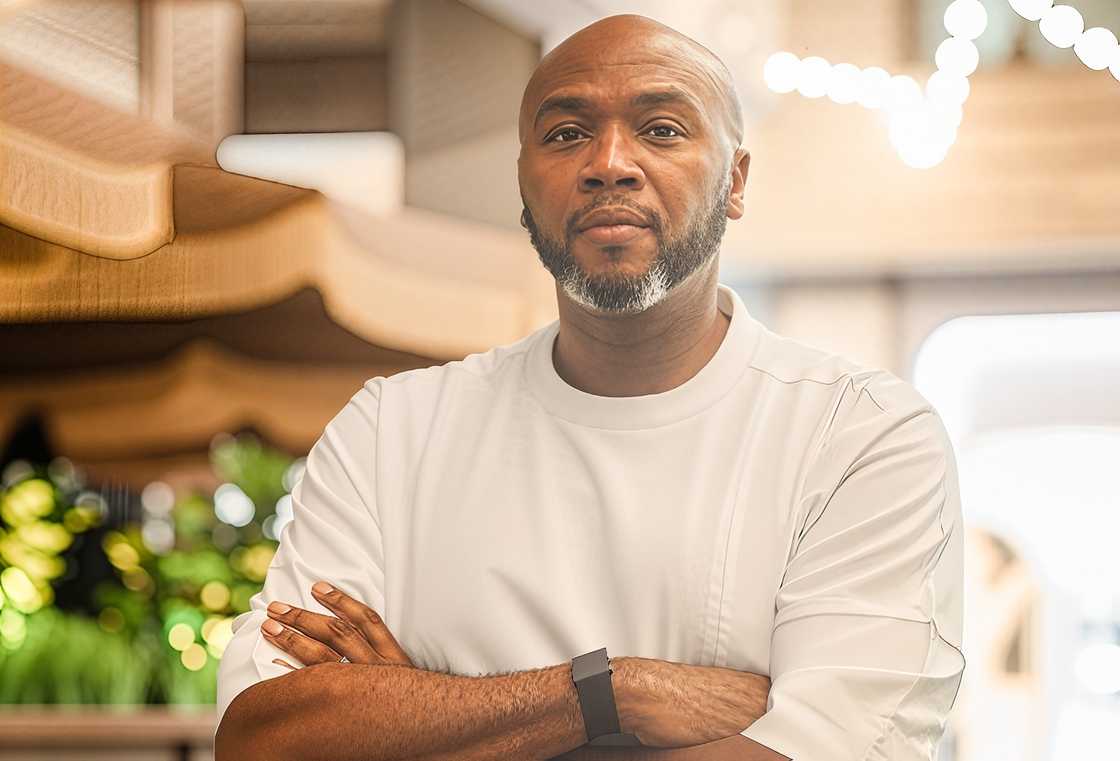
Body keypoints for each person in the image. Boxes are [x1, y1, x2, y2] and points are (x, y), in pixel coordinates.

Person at [214, 13, 965, 761]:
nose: (609, 162)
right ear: (522, 187)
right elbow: (263, 738)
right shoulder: (390, 431)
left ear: (734, 181)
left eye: (663, 129)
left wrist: (422, 715)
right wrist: (613, 692)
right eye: (566, 133)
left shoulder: (859, 435)